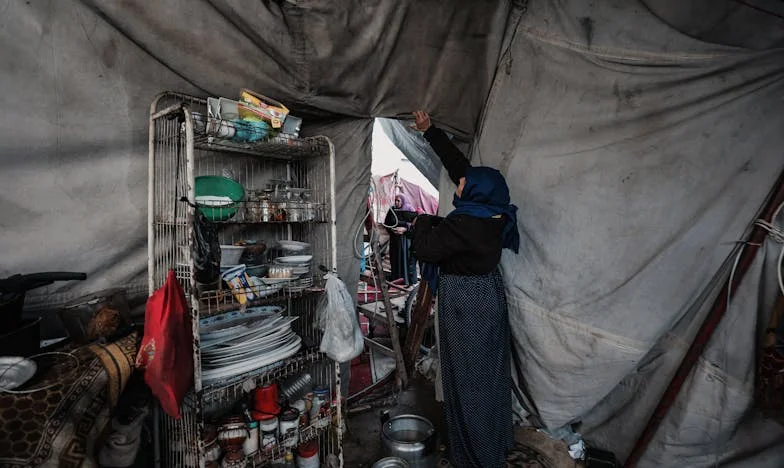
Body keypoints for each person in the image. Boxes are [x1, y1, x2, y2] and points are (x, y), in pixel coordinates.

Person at [409, 110, 519, 468]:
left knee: (468, 380)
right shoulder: (495, 211)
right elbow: (461, 168)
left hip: (465, 304)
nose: (458, 183)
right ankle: (495, 441)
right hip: (488, 293)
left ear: (474, 192)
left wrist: (423, 221)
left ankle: (478, 456)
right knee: (489, 374)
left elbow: (424, 248)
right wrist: (430, 132)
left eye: (462, 183)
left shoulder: (465, 224)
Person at [384, 194, 418, 285]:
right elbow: (386, 222)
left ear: (403, 201)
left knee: (405, 259)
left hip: (405, 240)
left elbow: (414, 224)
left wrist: (405, 229)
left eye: (398, 200)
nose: (396, 202)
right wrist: (392, 230)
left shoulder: (409, 209)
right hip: (394, 240)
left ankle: (406, 280)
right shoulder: (392, 210)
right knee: (395, 259)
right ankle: (396, 278)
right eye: (395, 200)